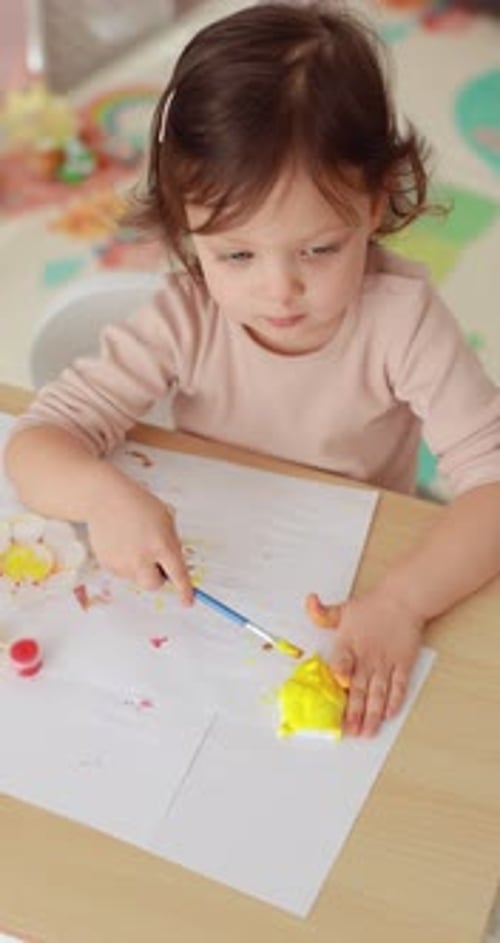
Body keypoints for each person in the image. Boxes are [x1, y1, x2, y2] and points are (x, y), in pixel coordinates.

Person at [5, 2, 500, 737]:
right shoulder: (186, 314)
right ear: (185, 228)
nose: (279, 292)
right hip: (224, 569)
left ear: (376, 201)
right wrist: (103, 497)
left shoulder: (401, 321)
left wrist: (401, 602)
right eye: (235, 255)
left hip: (359, 571)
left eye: (318, 249)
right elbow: (36, 442)